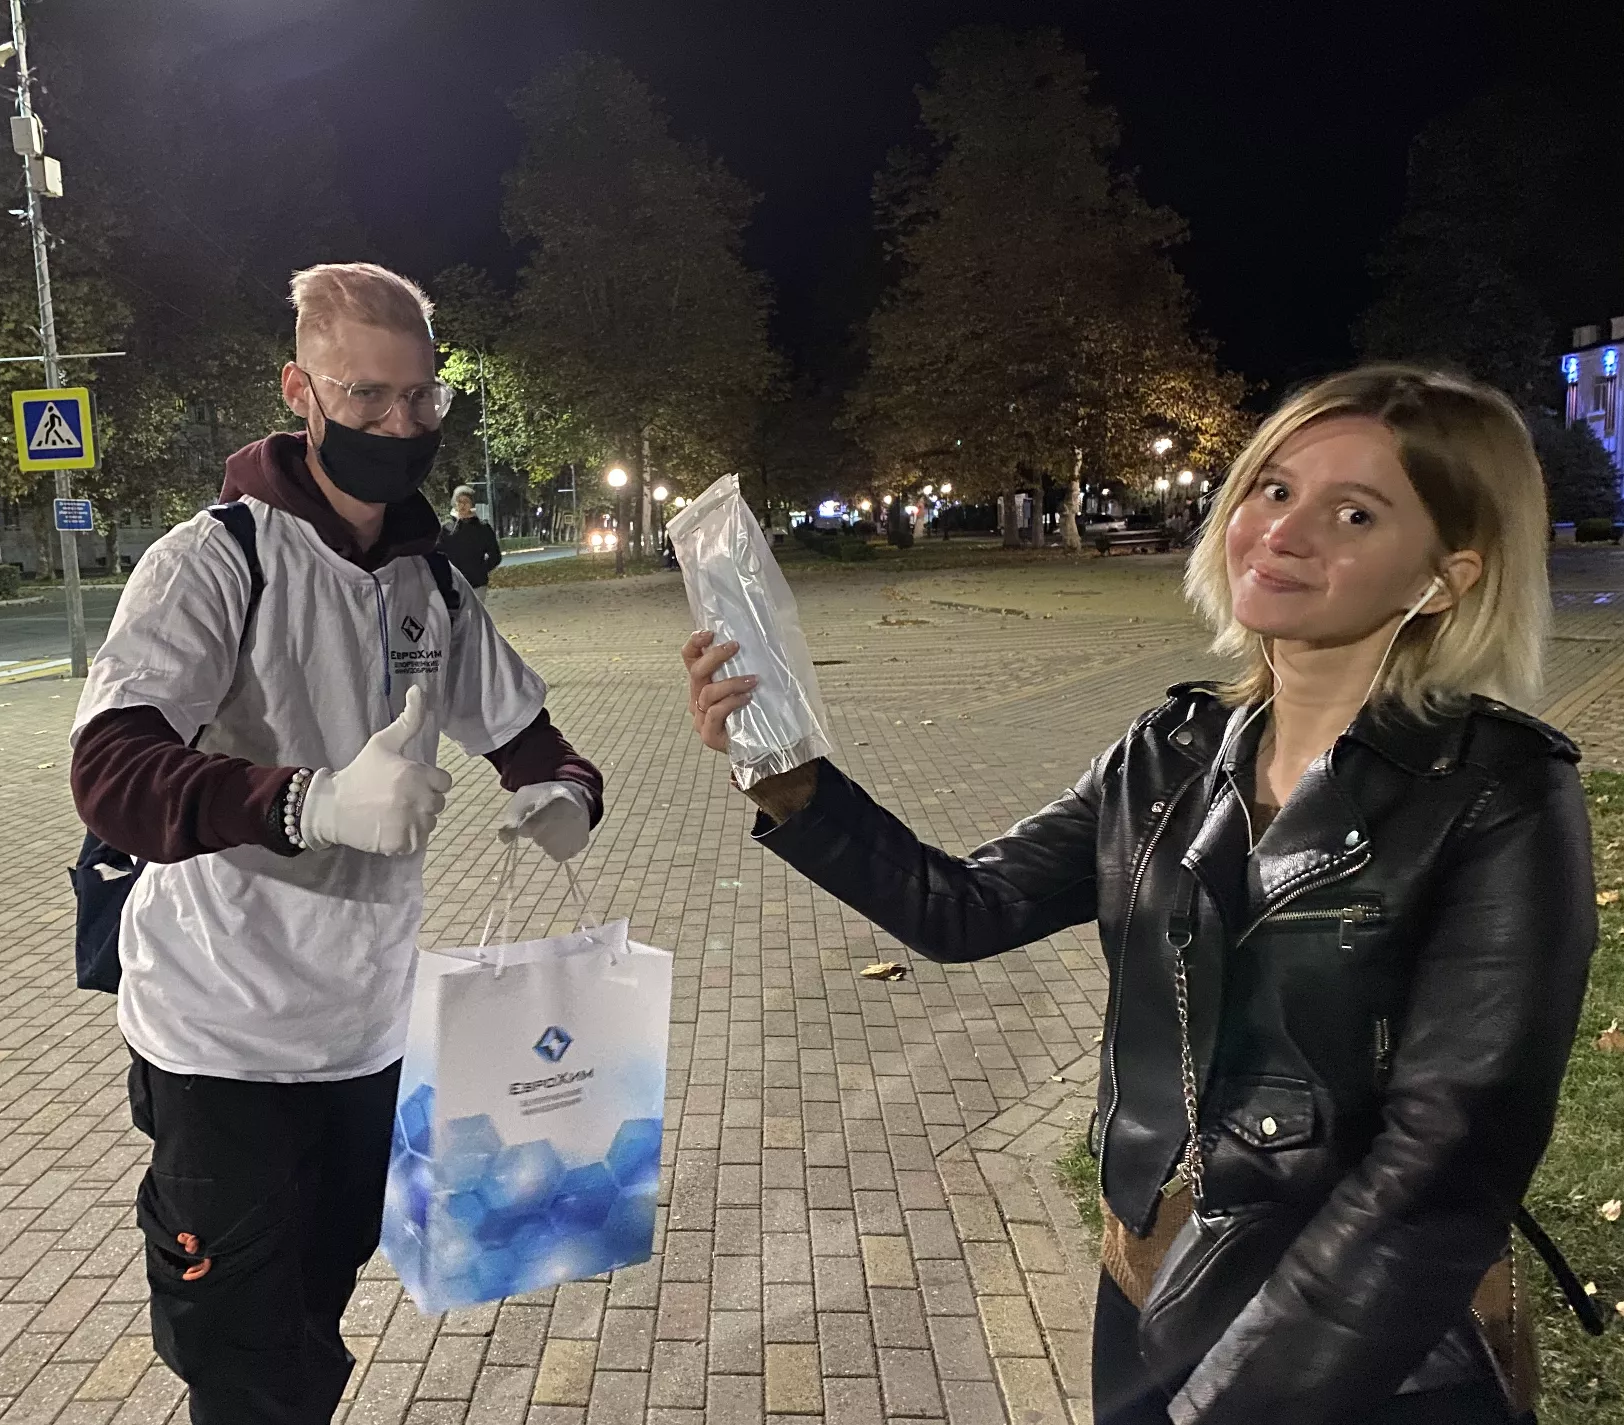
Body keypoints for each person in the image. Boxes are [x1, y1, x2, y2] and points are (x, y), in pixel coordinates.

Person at [682, 365, 1594, 1425]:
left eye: (1354, 513)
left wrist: (1228, 1403)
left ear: (1441, 578)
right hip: (1148, 1285)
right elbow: (966, 909)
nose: (1283, 531)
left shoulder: (1495, 794)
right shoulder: (1166, 754)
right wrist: (786, 780)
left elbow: (1439, 1171)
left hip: (1363, 1352)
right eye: (1273, 489)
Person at [70, 261, 604, 1425]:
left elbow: (531, 739)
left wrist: (563, 795)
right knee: (243, 1356)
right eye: (366, 397)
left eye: (420, 398)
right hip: (218, 1034)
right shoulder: (213, 561)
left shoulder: (430, 581)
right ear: (300, 391)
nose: (399, 426)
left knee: (314, 1315)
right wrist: (306, 803)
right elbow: (108, 774)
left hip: (365, 1036)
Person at [439, 485, 502, 589]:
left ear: (472, 504)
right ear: (455, 503)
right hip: (452, 585)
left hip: (477, 584)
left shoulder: (483, 528)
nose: (463, 504)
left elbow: (495, 556)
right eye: (460, 501)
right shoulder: (446, 528)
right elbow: (437, 554)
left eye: (466, 501)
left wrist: (480, 570)